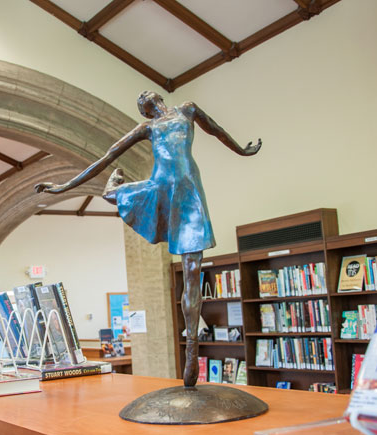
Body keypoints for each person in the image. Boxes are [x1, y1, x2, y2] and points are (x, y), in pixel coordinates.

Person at [35, 91, 261, 387]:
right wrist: (62, 187)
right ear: (145, 110)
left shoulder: (187, 110)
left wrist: (242, 151)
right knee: (113, 195)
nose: (143, 95)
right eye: (141, 99)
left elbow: (216, 130)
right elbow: (106, 157)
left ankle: (192, 349)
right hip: (160, 186)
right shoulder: (147, 128)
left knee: (193, 269)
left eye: (146, 94)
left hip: (189, 191)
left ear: (159, 97)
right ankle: (113, 187)